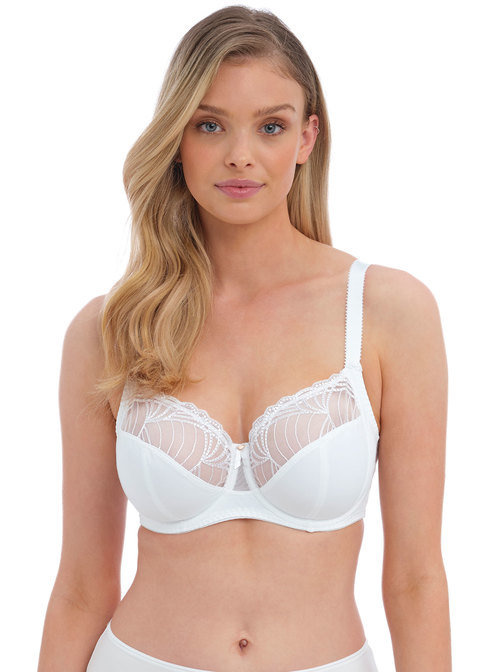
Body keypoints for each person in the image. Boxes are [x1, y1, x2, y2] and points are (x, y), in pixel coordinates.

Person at [37, 5, 451, 672]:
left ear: (307, 138)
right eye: (209, 124)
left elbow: (416, 580)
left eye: (271, 126)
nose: (240, 155)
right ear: (177, 137)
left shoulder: (388, 313)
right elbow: (82, 586)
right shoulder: (110, 329)